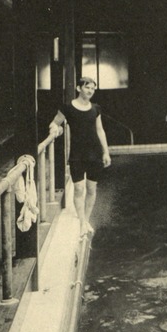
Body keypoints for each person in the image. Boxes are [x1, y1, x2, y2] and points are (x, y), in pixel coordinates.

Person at [48, 76, 112, 235]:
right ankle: (82, 222)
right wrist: (54, 129)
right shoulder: (68, 107)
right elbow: (54, 122)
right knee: (78, 188)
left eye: (92, 89)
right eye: (87, 87)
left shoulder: (96, 108)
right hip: (77, 154)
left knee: (91, 189)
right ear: (78, 88)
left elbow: (100, 130)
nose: (90, 91)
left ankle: (86, 220)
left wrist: (106, 152)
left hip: (95, 153)